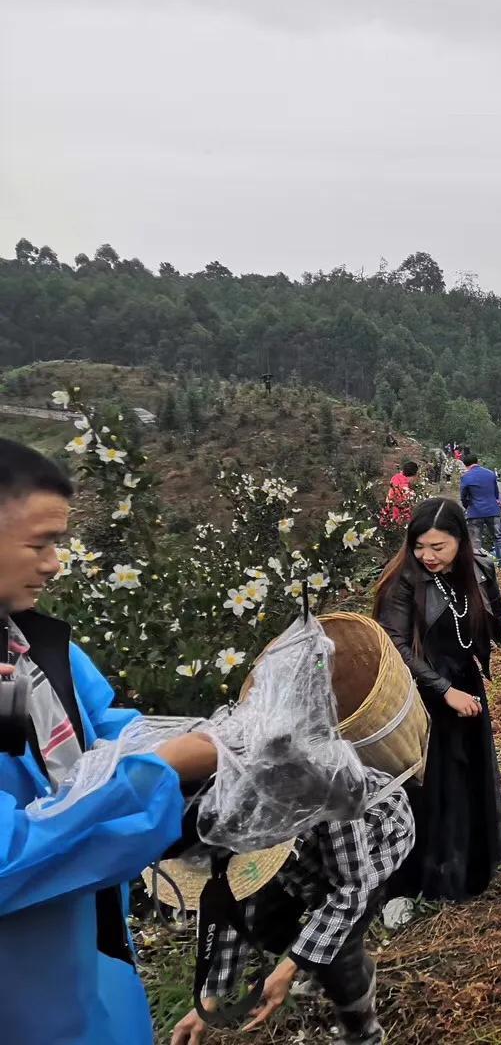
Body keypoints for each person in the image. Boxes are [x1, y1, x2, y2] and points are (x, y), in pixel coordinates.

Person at [0, 437, 219, 1045]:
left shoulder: (37, 649)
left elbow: (115, 727)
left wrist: (225, 739)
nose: (54, 563)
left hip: (89, 956)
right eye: (39, 544)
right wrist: (158, 775)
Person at [165, 766, 415, 1045]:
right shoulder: (226, 814)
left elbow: (350, 888)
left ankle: (362, 1031)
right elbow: (231, 904)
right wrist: (208, 1000)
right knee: (267, 924)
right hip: (301, 850)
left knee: (339, 952)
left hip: (373, 833)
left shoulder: (324, 789)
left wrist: (288, 968)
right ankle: (317, 967)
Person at [375, 497, 501, 901]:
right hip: (423, 692)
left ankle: (468, 866)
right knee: (433, 781)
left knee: (468, 773)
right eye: (420, 546)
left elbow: (496, 616)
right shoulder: (403, 580)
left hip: (464, 682)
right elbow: (395, 645)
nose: (427, 555)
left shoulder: (480, 569)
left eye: (438, 547)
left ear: (459, 541)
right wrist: (444, 691)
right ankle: (425, 876)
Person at [460, 452, 501, 559]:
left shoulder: (466, 477)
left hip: (475, 512)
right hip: (492, 510)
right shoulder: (491, 474)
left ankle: (479, 563)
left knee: (476, 540)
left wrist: (467, 507)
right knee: (498, 538)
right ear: (477, 462)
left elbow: (463, 496)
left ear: (465, 465)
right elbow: (496, 494)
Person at [379, 460, 419, 531]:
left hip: (388, 513)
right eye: (416, 476)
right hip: (398, 518)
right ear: (413, 476)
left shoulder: (396, 477)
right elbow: (406, 506)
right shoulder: (405, 489)